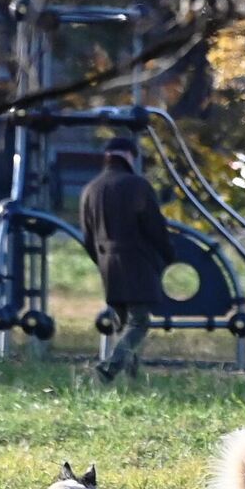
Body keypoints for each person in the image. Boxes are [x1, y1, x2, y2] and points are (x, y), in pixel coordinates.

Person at [78, 136, 175, 383]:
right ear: (130, 156)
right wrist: (167, 254)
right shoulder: (137, 186)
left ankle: (132, 379)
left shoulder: (90, 189)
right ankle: (109, 368)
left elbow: (87, 238)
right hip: (138, 263)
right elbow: (155, 226)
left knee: (122, 325)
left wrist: (100, 261)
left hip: (107, 265)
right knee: (139, 323)